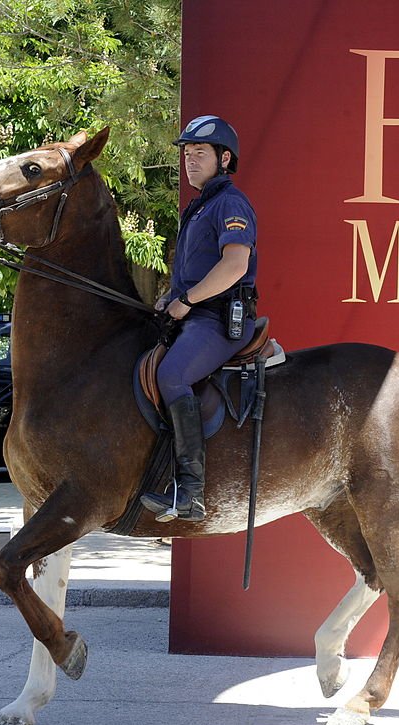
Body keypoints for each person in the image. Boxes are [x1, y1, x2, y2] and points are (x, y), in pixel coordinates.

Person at [140, 115, 258, 523]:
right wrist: (168, 301)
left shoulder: (230, 204)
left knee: (171, 375)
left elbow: (235, 265)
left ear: (224, 159)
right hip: (193, 312)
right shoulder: (200, 205)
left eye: (200, 153)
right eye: (187, 154)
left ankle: (190, 491)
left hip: (218, 318)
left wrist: (186, 300)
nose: (190, 160)